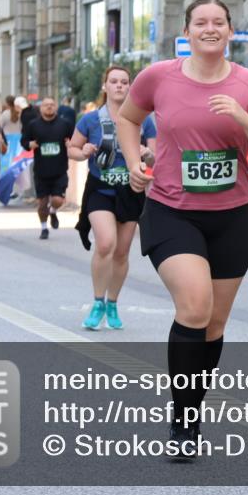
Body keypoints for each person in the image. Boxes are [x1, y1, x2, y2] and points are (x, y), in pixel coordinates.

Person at [116, 0, 248, 458]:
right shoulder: (159, 76)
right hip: (173, 210)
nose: (209, 28)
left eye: (218, 22)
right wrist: (134, 161)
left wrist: (245, 118)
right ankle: (184, 424)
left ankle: (192, 406)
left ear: (230, 30)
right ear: (186, 31)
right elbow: (129, 118)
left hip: (231, 216)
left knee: (213, 323)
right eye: (200, 22)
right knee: (194, 306)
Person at [68, 66, 157, 331]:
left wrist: (146, 153)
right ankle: (97, 302)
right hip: (100, 189)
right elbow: (72, 149)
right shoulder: (90, 119)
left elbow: (155, 154)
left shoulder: (144, 120)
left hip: (131, 190)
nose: (119, 86)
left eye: (124, 82)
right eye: (114, 82)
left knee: (121, 252)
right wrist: (83, 151)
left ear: (130, 87)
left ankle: (113, 302)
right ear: (104, 86)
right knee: (106, 243)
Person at [20, 96, 75, 239]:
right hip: (41, 171)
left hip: (60, 170)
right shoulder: (33, 125)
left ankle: (53, 211)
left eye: (52, 104)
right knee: (42, 204)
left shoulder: (65, 124)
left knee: (58, 200)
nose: (49, 107)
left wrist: (72, 144)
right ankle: (44, 228)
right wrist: (29, 144)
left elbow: (75, 139)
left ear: (56, 107)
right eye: (46, 105)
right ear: (41, 108)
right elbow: (24, 140)